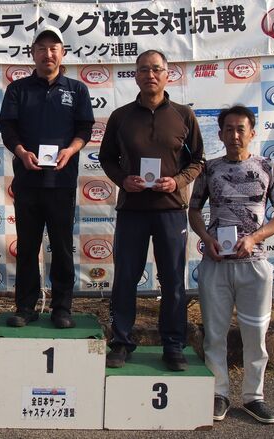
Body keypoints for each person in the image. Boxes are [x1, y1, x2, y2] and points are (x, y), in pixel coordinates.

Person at [99, 50, 205, 370]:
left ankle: (173, 345)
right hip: (132, 210)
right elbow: (107, 158)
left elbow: (198, 161)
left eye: (156, 69)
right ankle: (121, 342)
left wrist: (177, 182)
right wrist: (122, 180)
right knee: (125, 278)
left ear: (167, 74)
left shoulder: (184, 115)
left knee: (172, 280)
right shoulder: (121, 116)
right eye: (144, 69)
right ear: (135, 76)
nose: (150, 75)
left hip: (171, 211)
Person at [189, 105, 274, 424]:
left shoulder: (268, 167)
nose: (234, 135)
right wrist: (206, 237)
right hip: (216, 263)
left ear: (252, 133)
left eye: (240, 129)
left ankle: (253, 397)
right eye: (229, 129)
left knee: (256, 335)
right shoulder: (209, 169)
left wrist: (255, 237)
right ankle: (218, 393)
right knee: (214, 334)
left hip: (255, 265)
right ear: (220, 134)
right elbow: (194, 210)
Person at [0, 25, 94, 328]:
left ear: (62, 53)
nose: (47, 54)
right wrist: (21, 152)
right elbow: (8, 128)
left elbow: (85, 128)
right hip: (27, 183)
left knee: (62, 247)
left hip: (61, 183)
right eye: (41, 48)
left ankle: (62, 308)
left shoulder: (77, 89)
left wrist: (71, 150)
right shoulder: (18, 89)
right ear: (33, 53)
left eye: (53, 48)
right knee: (27, 247)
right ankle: (25, 307)